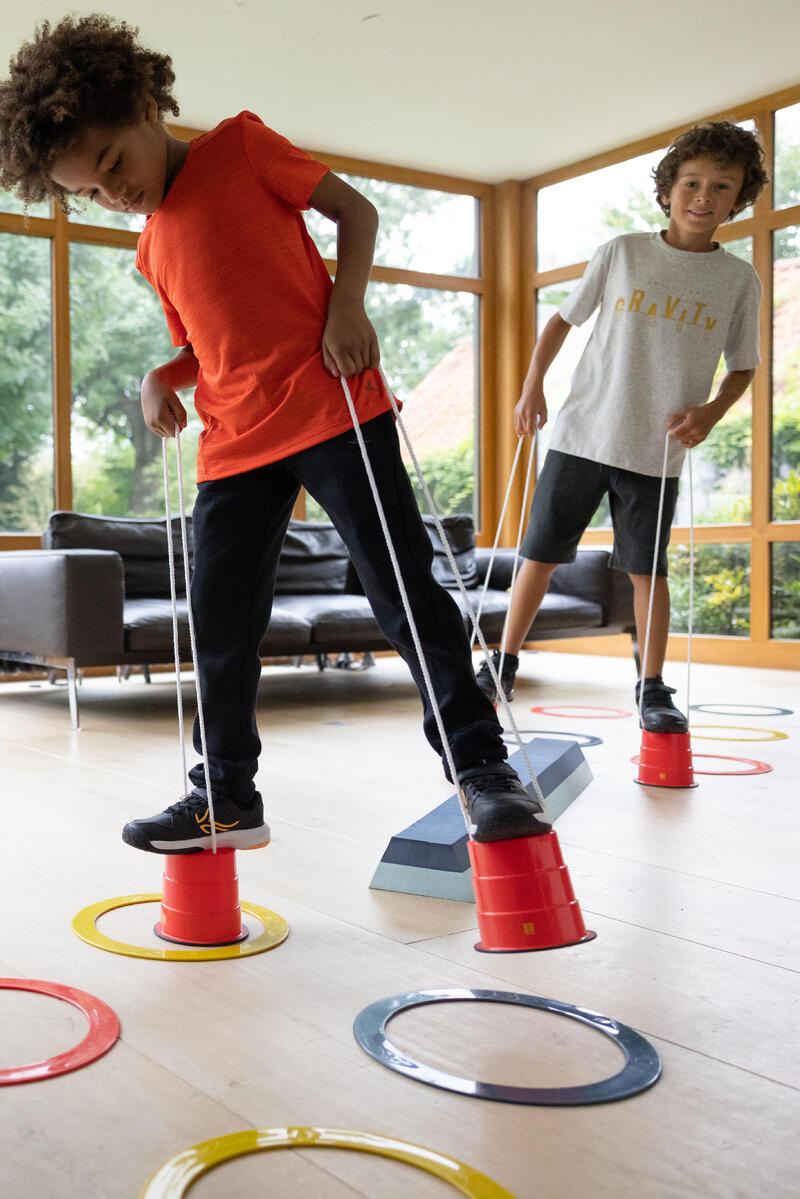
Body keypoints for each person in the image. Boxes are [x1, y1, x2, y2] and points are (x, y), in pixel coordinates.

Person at [0, 14, 550, 851]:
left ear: (147, 105)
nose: (115, 192)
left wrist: (349, 303)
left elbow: (355, 213)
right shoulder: (151, 246)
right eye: (91, 192)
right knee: (218, 621)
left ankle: (481, 765)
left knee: (402, 589)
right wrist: (163, 375)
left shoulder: (243, 146)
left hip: (333, 406)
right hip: (234, 441)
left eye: (114, 163)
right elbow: (204, 346)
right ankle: (225, 794)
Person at [477, 122, 767, 731]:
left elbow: (743, 367)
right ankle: (500, 664)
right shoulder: (623, 252)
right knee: (539, 555)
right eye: (691, 182)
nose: (703, 197)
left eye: (721, 186)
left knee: (648, 569)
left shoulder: (739, 280)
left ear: (739, 199)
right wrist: (532, 389)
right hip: (583, 435)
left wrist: (712, 413)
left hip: (656, 453)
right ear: (667, 190)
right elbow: (560, 322)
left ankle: (653, 687)